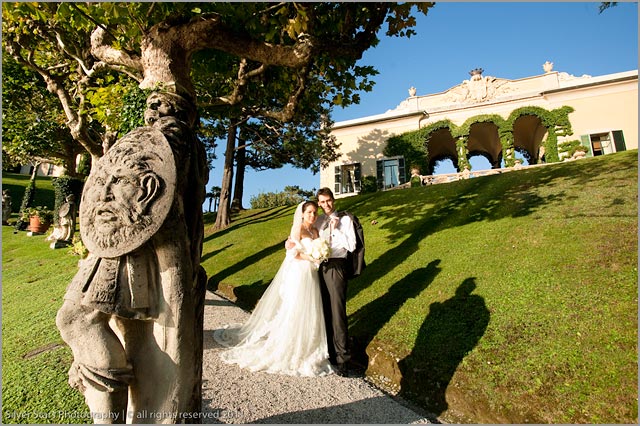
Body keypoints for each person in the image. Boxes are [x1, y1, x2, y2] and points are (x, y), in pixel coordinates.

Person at [213, 201, 334, 377]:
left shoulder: (315, 231)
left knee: (310, 309)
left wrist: (320, 254)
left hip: (311, 275)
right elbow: (293, 253)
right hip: (299, 273)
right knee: (294, 307)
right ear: (301, 213)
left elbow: (317, 246)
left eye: (314, 213)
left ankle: (308, 347)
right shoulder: (297, 229)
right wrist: (312, 256)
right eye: (309, 212)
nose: (312, 216)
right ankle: (288, 345)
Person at [314, 188, 357, 377]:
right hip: (319, 267)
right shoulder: (318, 221)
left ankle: (343, 359)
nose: (326, 205)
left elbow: (352, 246)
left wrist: (335, 230)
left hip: (337, 265)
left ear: (334, 199)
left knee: (337, 311)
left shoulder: (346, 220)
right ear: (318, 204)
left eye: (328, 201)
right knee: (324, 310)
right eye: (322, 202)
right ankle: (329, 353)